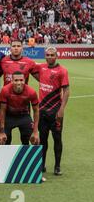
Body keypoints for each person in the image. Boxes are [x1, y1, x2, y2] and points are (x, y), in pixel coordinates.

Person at [34, 47, 70, 176]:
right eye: (47, 55)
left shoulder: (62, 71)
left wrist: (61, 110)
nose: (49, 57)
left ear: (56, 55)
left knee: (57, 139)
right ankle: (42, 165)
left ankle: (57, 166)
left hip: (55, 112)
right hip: (42, 111)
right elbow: (31, 68)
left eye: (52, 55)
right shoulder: (42, 67)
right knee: (42, 140)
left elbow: (66, 91)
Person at [0, 71, 40, 145]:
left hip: (23, 116)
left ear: (24, 80)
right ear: (12, 81)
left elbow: (36, 110)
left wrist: (35, 131)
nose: (19, 83)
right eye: (16, 80)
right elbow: (2, 110)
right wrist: (1, 131)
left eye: (21, 80)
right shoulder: (5, 90)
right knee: (3, 140)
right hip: (9, 116)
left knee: (33, 140)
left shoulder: (31, 92)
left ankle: (27, 155)